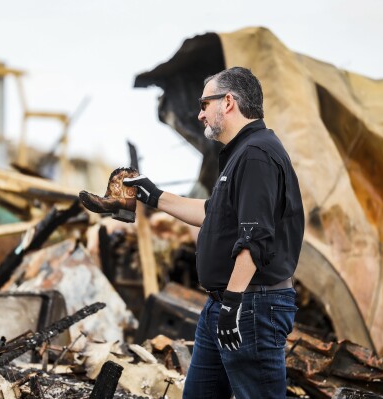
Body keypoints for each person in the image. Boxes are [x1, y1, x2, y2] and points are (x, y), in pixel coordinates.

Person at [123, 66, 304, 399]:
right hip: (224, 305)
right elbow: (212, 213)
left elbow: (254, 238)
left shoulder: (256, 156)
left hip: (251, 306)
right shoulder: (240, 154)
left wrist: (233, 305)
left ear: (229, 102)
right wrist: (155, 196)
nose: (200, 113)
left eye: (205, 104)